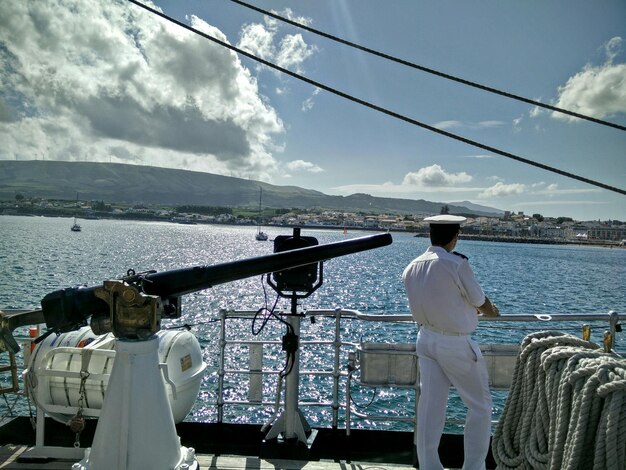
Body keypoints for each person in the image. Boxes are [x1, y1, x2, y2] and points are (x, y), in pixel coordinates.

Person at [402, 214, 500, 470]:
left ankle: (429, 467)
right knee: (481, 407)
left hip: (425, 339)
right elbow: (480, 302)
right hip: (455, 343)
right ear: (455, 237)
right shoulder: (456, 264)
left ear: (431, 236)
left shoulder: (412, 266)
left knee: (430, 408)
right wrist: (492, 311)